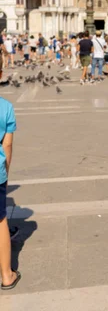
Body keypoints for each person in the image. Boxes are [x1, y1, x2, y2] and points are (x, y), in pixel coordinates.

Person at [0, 96, 21, 290]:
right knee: (0, 221)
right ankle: (6, 275)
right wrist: (5, 169)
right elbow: (7, 145)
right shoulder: (5, 107)